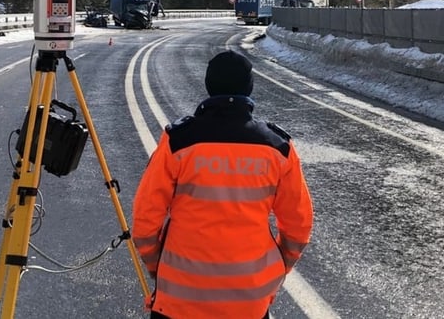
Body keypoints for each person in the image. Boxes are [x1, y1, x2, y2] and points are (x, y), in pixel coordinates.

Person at [132, 50, 314, 319]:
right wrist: (277, 270)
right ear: (249, 87)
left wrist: (157, 267)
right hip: (250, 303)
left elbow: (145, 221)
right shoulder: (279, 148)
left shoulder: (178, 142)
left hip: (179, 302)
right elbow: (299, 227)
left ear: (208, 86)